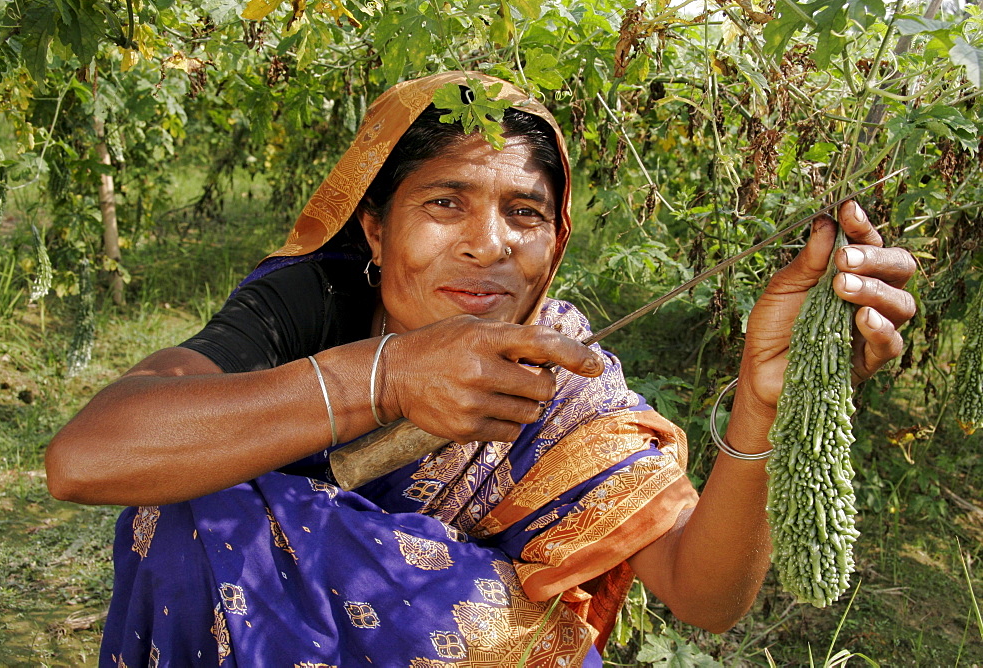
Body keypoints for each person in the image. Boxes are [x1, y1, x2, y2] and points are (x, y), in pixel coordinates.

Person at [45, 72, 917, 667]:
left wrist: (767, 401)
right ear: (376, 234)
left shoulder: (564, 377)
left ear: (556, 239)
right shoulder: (304, 310)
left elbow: (706, 593)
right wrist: (379, 378)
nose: (488, 243)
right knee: (193, 500)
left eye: (524, 212)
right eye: (445, 202)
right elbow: (89, 458)